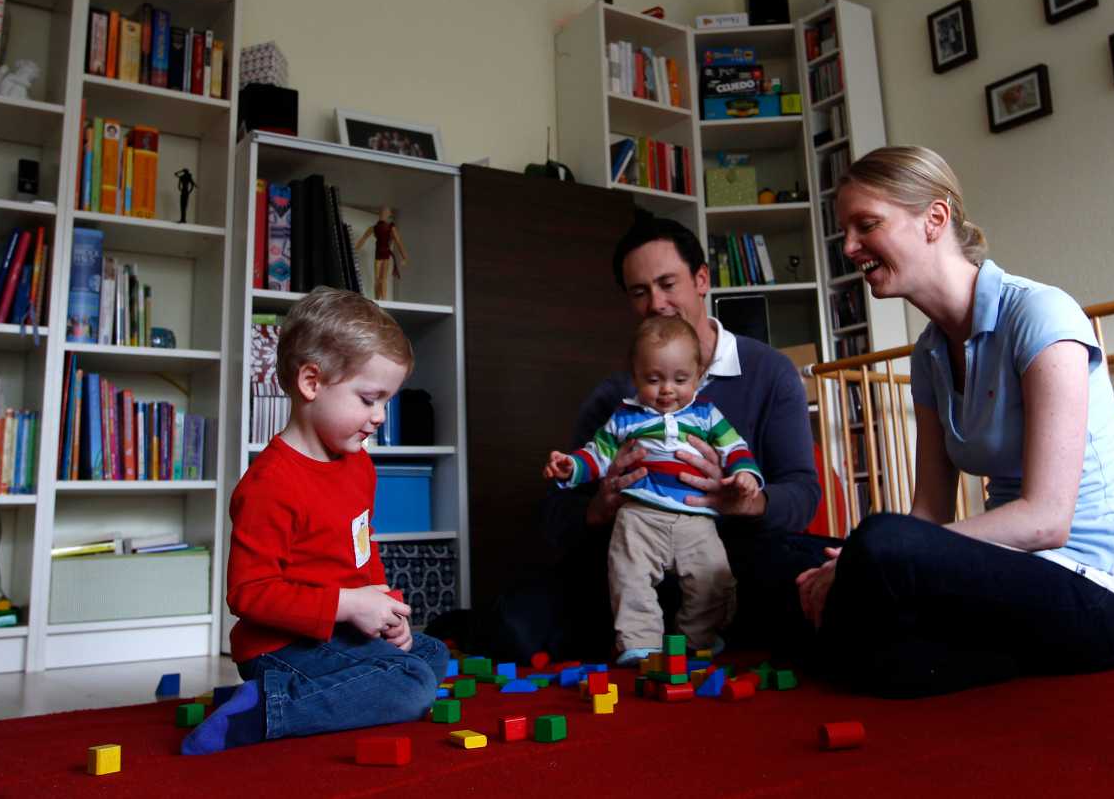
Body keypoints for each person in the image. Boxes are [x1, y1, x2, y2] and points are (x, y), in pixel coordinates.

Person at [796, 146, 1114, 698]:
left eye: (866, 225)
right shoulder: (928, 354)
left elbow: (1045, 522)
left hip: (1099, 596)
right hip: (1013, 579)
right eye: (845, 231)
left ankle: (861, 644)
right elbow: (929, 512)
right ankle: (876, 649)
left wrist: (875, 557)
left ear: (935, 219)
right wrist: (867, 559)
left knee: (878, 544)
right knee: (791, 552)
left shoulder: (1041, 314)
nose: (848, 248)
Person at [505, 214, 824, 662]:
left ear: (701, 279)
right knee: (519, 624)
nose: (656, 303)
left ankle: (707, 633)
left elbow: (804, 493)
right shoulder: (619, 399)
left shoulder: (769, 372)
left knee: (807, 586)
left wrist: (743, 499)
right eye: (640, 292)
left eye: (667, 283)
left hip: (732, 554)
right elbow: (560, 514)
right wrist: (601, 504)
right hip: (634, 555)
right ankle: (644, 640)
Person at [183, 289, 447, 754]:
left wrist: (389, 613)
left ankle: (325, 692)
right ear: (311, 382)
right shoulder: (270, 483)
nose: (379, 418)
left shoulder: (359, 466)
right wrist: (347, 606)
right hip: (282, 650)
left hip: (342, 635)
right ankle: (267, 710)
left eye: (386, 402)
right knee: (411, 685)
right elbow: (249, 593)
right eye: (369, 399)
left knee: (430, 653)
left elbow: (363, 552)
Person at [543, 315, 762, 664]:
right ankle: (640, 642)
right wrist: (572, 466)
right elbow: (597, 454)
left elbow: (735, 448)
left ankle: (698, 637)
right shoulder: (626, 416)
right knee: (628, 577)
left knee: (713, 579)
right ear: (635, 376)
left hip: (695, 517)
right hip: (639, 516)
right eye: (653, 379)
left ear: (698, 375)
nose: (667, 390)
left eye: (680, 379)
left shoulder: (707, 415)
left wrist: (745, 474)